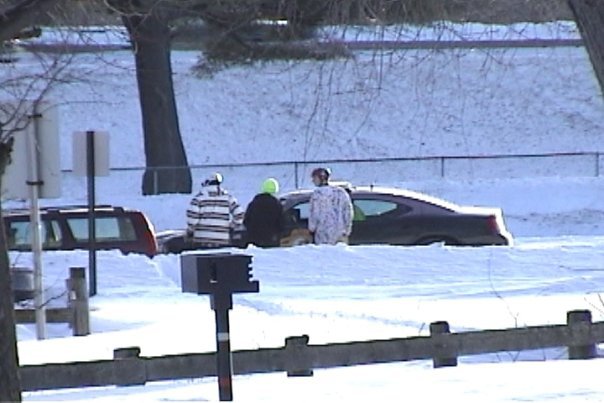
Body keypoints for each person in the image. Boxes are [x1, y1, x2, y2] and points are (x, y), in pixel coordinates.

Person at [186, 173, 244, 248]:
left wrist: (190, 231)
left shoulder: (198, 199)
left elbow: (192, 220)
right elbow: (239, 215)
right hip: (222, 239)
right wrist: (231, 227)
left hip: (202, 239)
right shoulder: (228, 198)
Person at [308, 167, 353, 245]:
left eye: (314, 178)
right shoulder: (341, 192)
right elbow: (348, 212)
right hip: (340, 234)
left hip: (322, 234)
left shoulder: (317, 195)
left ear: (321, 178)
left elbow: (314, 214)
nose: (313, 180)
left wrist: (312, 228)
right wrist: (347, 229)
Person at [244, 178, 284, 248]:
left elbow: (246, 221)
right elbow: (281, 223)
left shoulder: (254, 203)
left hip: (253, 240)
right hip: (270, 240)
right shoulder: (277, 205)